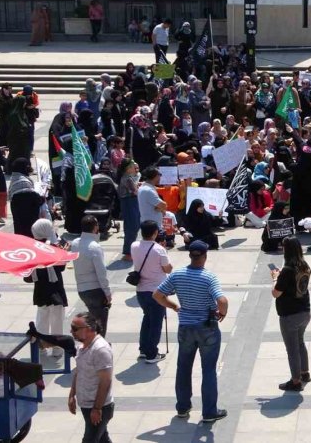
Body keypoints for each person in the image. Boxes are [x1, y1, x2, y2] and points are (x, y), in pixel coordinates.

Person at [154, 240, 229, 422]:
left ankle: (183, 407)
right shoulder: (208, 277)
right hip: (207, 327)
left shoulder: (178, 274)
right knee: (209, 369)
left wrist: (173, 306)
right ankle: (209, 412)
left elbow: (157, 295)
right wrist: (222, 313)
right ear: (204, 256)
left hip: (185, 327)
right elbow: (222, 301)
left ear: (189, 255)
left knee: (184, 367)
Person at [271, 237, 311, 391]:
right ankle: (305, 372)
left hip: (290, 315)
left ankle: (295, 381)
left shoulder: (287, 270)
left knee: (292, 349)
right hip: (304, 311)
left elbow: (276, 293)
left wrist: (275, 278)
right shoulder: (304, 265)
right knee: (300, 342)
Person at [68, 312, 114, 443]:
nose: (72, 331)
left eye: (75, 328)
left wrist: (97, 408)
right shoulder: (83, 346)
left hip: (99, 407)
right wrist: (72, 395)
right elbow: (79, 371)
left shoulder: (100, 350)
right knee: (102, 439)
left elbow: (105, 382)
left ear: (89, 328)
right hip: (87, 405)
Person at [132, 220, 172, 364]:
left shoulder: (134, 245)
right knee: (156, 323)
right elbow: (167, 269)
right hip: (157, 291)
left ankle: (144, 349)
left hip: (141, 290)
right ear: (155, 233)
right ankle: (151, 354)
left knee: (147, 318)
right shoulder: (159, 249)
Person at [27, 219, 68, 357]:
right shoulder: (52, 247)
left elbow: (27, 275)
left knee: (41, 319)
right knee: (57, 319)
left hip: (40, 290)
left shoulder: (32, 247)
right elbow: (61, 267)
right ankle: (57, 348)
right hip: (55, 289)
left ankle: (42, 348)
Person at [71, 215, 112, 336]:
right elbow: (101, 272)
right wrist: (107, 292)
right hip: (96, 290)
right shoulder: (95, 247)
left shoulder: (75, 243)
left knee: (92, 321)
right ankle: (98, 349)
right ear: (95, 228)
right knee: (100, 326)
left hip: (82, 290)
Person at [117, 159, 140, 260]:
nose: (134, 168)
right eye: (131, 166)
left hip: (131, 203)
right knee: (132, 227)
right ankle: (128, 253)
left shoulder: (129, 177)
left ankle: (130, 251)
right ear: (127, 168)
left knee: (133, 226)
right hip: (129, 203)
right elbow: (134, 191)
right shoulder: (127, 178)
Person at [137, 166, 167, 232]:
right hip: (151, 228)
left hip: (149, 225)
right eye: (160, 175)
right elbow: (163, 205)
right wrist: (160, 208)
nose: (161, 177)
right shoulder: (148, 190)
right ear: (155, 176)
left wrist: (158, 208)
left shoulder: (144, 187)